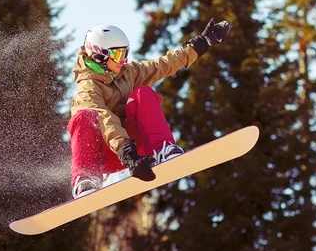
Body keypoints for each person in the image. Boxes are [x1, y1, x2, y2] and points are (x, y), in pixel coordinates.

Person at [68, 18, 231, 198]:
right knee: (85, 116)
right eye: (118, 55)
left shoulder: (128, 72)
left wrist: (200, 44)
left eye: (126, 54)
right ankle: (85, 179)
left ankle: (163, 148)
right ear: (100, 55)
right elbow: (105, 119)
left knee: (143, 93)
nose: (124, 60)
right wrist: (127, 153)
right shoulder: (87, 87)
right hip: (109, 154)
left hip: (135, 152)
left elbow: (161, 65)